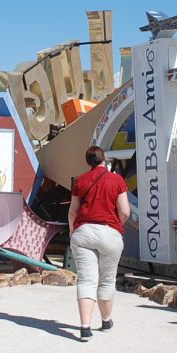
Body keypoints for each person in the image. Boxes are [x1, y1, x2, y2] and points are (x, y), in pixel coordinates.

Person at [68, 146, 131, 342]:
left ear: (88, 161)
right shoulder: (117, 180)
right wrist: (114, 228)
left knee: (86, 280)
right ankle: (106, 321)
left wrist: (73, 232)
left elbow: (73, 211)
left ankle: (85, 328)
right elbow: (125, 212)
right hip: (110, 233)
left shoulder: (79, 181)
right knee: (107, 280)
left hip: (84, 232)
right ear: (104, 159)